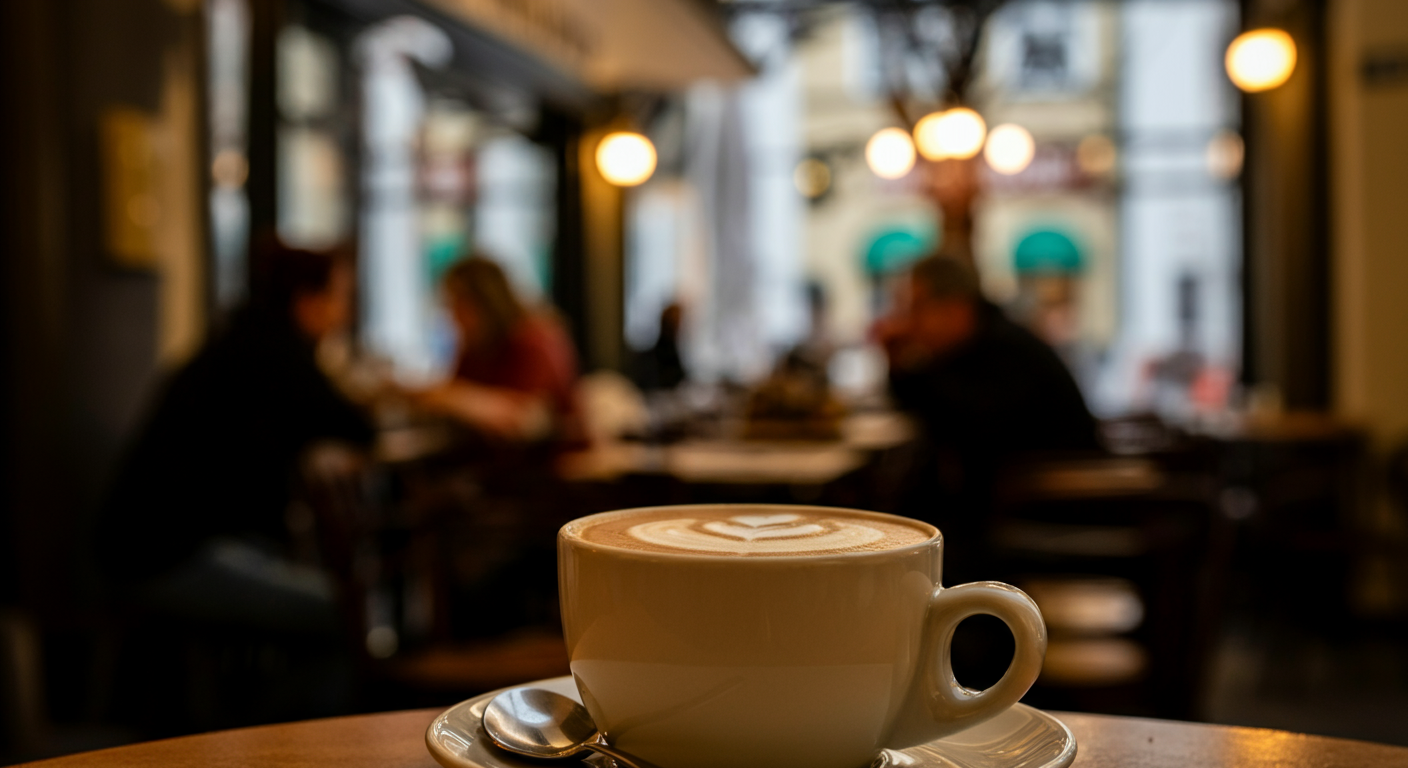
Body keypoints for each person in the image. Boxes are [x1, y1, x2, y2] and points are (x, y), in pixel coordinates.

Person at [98, 242, 374, 630]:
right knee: (336, 608)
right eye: (338, 298)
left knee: (301, 575)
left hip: (148, 547)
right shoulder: (276, 353)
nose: (342, 314)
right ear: (307, 300)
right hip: (166, 557)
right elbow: (355, 427)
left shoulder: (238, 342)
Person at [874, 255, 1100, 575]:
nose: (908, 322)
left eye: (916, 307)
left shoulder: (1006, 352)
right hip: (1008, 502)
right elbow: (931, 411)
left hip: (1048, 509)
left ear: (955, 309)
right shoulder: (977, 346)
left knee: (910, 555)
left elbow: (965, 425)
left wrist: (906, 366)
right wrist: (898, 364)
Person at [413, 256, 585, 449]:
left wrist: (451, 398)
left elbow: (523, 419)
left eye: (458, 304)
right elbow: (455, 392)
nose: (453, 316)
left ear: (485, 301)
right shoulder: (476, 347)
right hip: (501, 457)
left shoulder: (534, 340)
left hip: (559, 458)